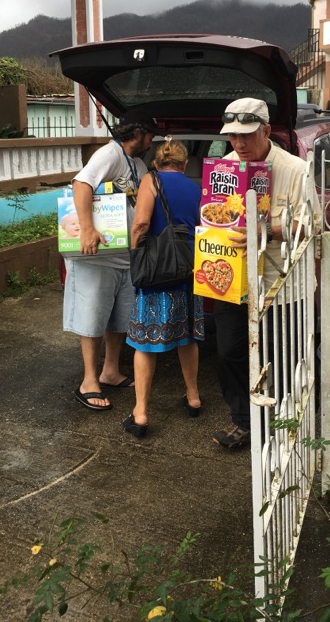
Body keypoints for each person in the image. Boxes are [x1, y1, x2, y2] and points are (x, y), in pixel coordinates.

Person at [212, 97, 320, 448]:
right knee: (229, 352)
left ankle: (283, 427)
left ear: (267, 130)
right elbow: (212, 215)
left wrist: (267, 230)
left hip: (281, 284)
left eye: (247, 135)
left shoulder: (295, 169)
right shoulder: (223, 168)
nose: (239, 144)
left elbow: (313, 223)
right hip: (234, 280)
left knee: (281, 358)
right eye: (233, 137)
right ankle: (243, 420)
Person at [63, 110, 161, 411]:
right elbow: (82, 184)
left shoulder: (139, 163)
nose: (151, 143)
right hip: (97, 258)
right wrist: (88, 228)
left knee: (119, 319)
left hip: (124, 258)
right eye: (150, 137)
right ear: (140, 133)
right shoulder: (109, 154)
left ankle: (110, 370)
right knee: (92, 317)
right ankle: (89, 381)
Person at [122, 139, 204, 438]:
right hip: (187, 271)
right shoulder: (197, 188)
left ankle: (141, 413)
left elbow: (141, 223)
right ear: (184, 165)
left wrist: (135, 254)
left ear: (157, 163)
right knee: (187, 338)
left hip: (157, 274)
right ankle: (193, 397)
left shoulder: (150, 180)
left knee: (145, 343)